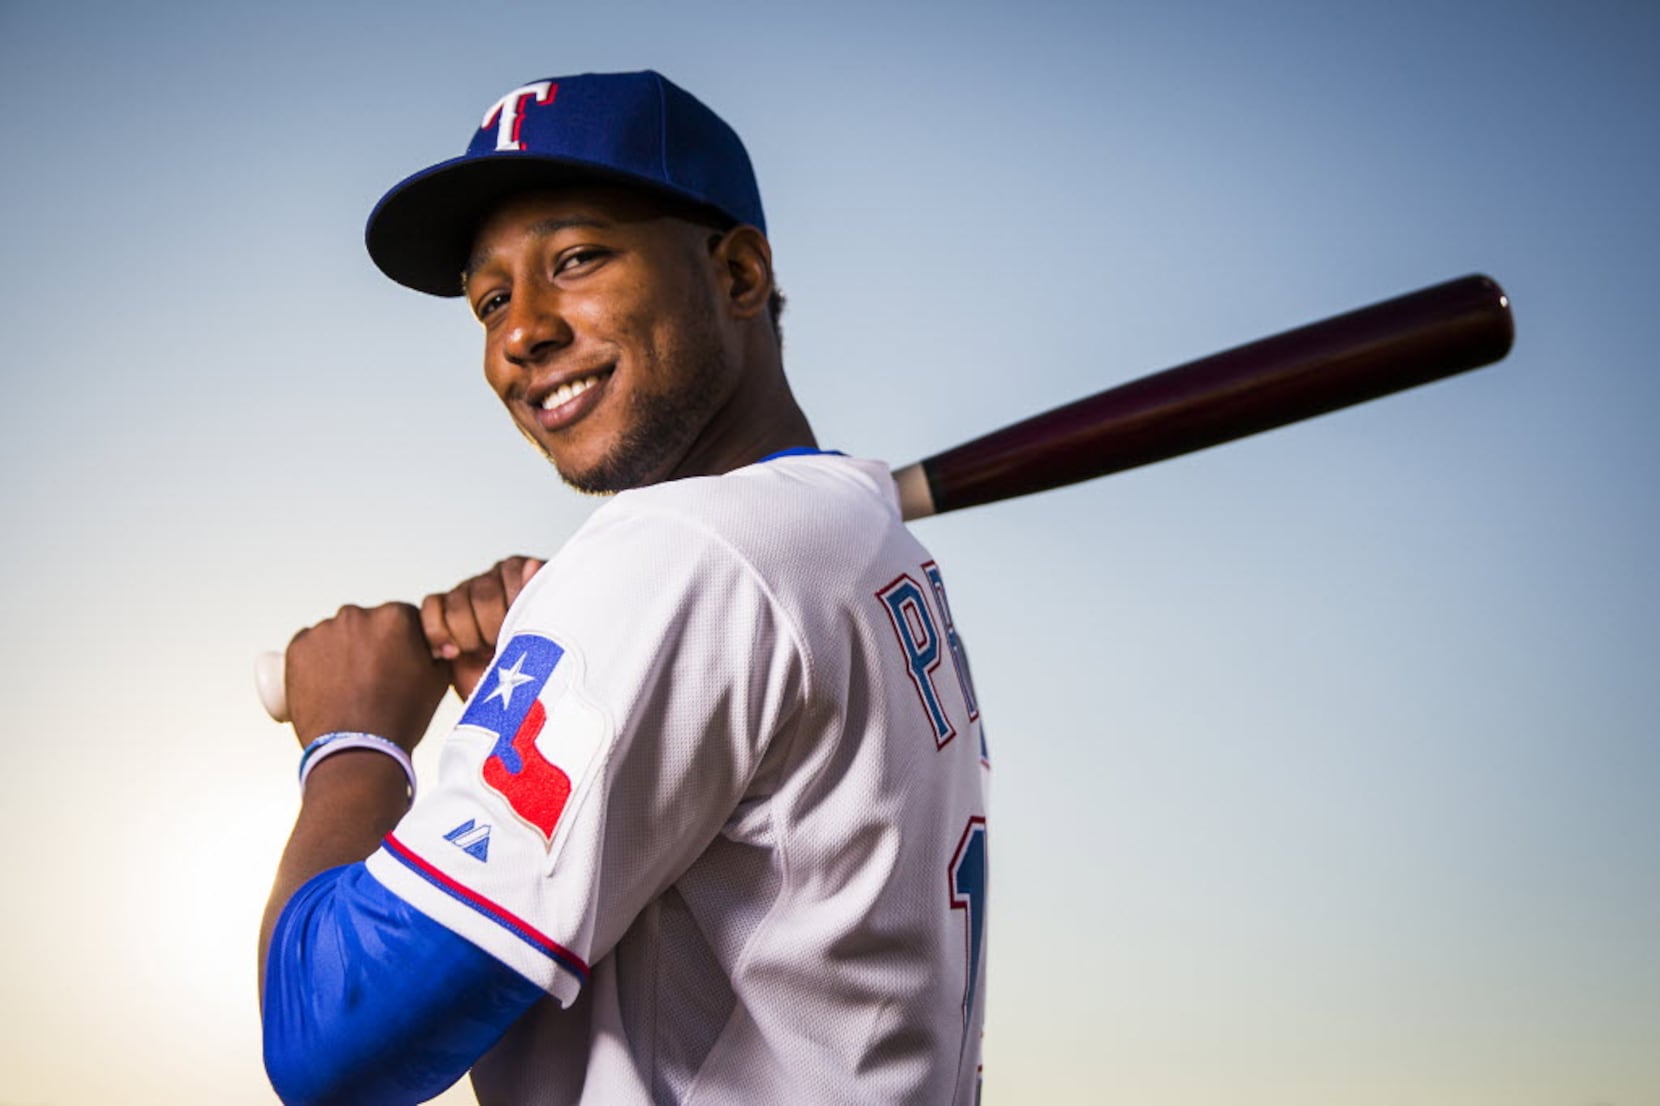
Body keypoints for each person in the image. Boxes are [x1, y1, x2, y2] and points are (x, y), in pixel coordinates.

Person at [259, 70, 990, 1105]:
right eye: (491, 299)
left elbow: (330, 1039)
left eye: (576, 259)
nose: (522, 333)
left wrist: (355, 741)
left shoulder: (684, 549)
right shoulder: (848, 536)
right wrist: (522, 701)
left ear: (736, 273)